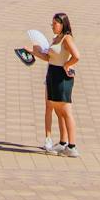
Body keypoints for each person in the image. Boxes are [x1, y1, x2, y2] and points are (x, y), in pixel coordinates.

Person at [31, 10, 80, 154]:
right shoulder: (56, 38)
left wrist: (67, 65)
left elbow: (76, 56)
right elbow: (49, 58)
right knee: (59, 111)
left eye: (55, 24)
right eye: (51, 23)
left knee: (66, 111)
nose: (52, 26)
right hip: (52, 74)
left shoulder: (66, 39)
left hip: (61, 77)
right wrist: (35, 52)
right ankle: (63, 142)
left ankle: (72, 146)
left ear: (62, 24)